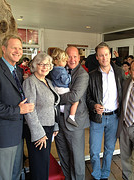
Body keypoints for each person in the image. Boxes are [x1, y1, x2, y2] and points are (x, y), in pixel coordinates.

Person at [0, 34, 35, 180]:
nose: (18, 51)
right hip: (3, 135)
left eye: (20, 48)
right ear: (3, 49)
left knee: (16, 174)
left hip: (18, 133)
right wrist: (19, 110)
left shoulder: (18, 71)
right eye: (14, 48)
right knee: (4, 176)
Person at [86, 42, 123, 180]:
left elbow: (124, 92)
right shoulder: (92, 75)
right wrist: (94, 105)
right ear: (97, 57)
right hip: (97, 118)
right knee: (94, 151)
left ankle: (105, 174)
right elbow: (87, 97)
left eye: (106, 54)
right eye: (101, 55)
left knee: (109, 149)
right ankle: (96, 175)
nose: (104, 58)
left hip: (114, 117)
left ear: (110, 55)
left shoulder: (119, 72)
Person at [23, 53, 60, 180]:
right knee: (39, 167)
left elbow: (53, 105)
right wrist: (39, 133)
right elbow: (29, 110)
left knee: (44, 165)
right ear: (34, 66)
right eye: (41, 64)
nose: (45, 67)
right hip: (38, 130)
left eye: (47, 64)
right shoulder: (30, 82)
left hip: (48, 129)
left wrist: (55, 125)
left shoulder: (47, 81)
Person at [55, 46, 90, 180]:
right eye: (69, 56)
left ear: (79, 58)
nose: (72, 59)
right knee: (63, 154)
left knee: (76, 157)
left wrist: (55, 98)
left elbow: (74, 96)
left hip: (74, 122)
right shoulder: (59, 69)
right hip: (59, 119)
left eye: (75, 56)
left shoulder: (82, 74)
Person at [50, 48, 79, 127]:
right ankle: (71, 116)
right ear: (58, 61)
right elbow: (65, 81)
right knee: (76, 101)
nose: (66, 63)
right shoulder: (62, 70)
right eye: (64, 61)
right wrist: (69, 76)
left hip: (55, 88)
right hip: (63, 88)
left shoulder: (52, 69)